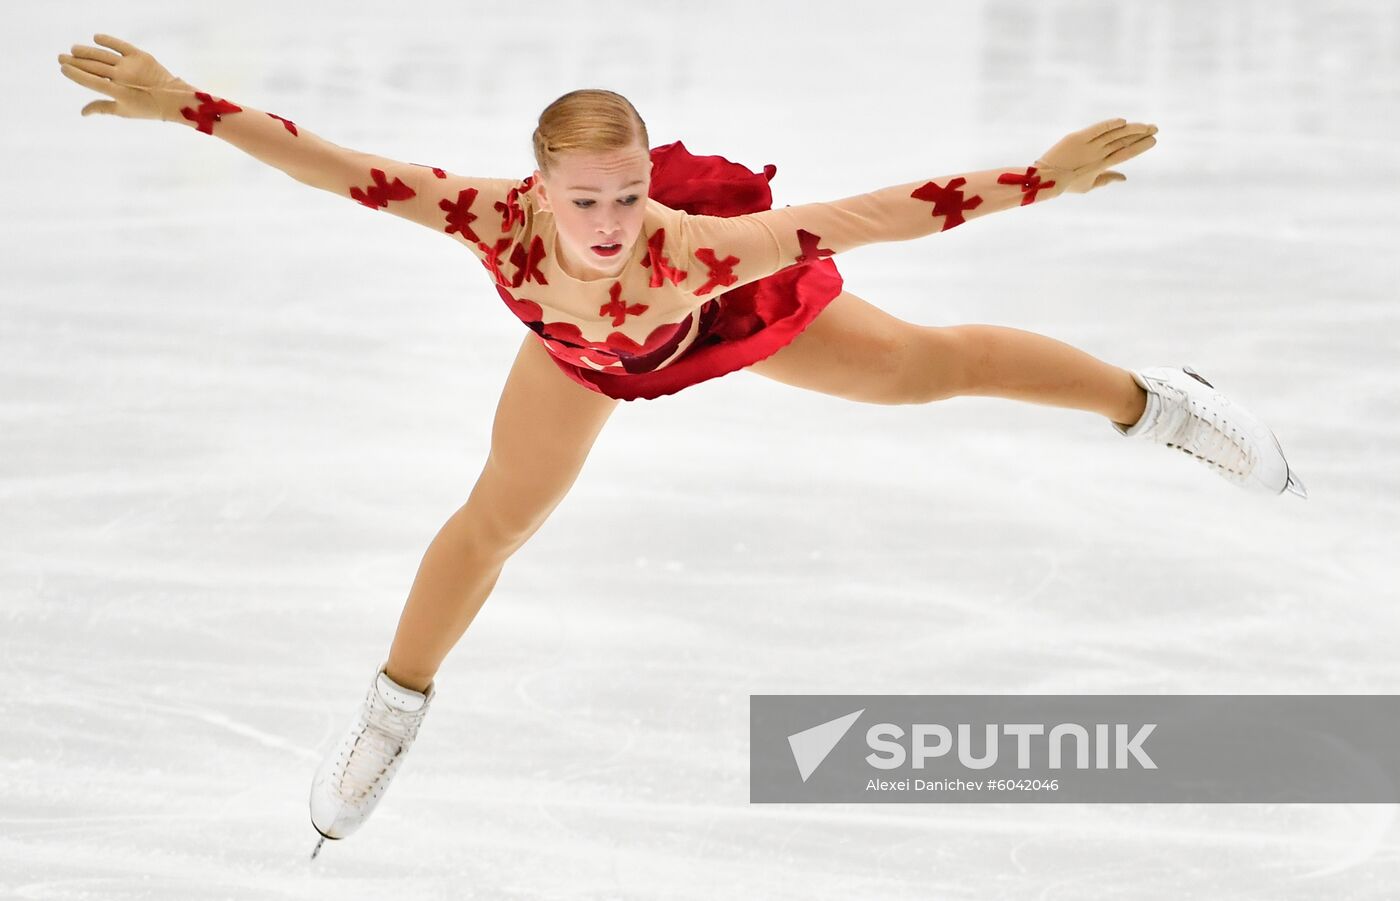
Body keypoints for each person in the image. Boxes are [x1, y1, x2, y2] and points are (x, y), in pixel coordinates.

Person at [56, 32, 1307, 856]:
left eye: (625, 191)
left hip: (722, 327)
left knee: (931, 368)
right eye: (583, 197)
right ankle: (392, 709)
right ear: (537, 185)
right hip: (582, 362)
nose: (607, 221)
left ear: (649, 176)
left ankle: (1155, 402)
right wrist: (189, 107)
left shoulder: (703, 249)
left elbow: (885, 213)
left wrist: (1038, 177)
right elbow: (329, 165)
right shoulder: (485, 219)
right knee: (494, 522)